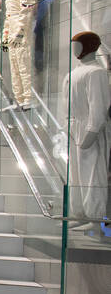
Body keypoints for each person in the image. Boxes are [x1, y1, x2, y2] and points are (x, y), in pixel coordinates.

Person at [61, 31, 110, 230]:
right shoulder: (72, 74)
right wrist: (65, 126)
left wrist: (92, 130)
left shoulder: (96, 73)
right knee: (75, 175)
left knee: (92, 173)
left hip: (89, 129)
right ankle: (79, 212)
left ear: (89, 47)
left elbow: (98, 106)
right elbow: (66, 105)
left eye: (78, 44)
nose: (74, 49)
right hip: (73, 127)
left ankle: (95, 217)